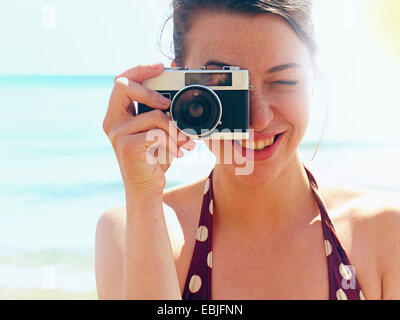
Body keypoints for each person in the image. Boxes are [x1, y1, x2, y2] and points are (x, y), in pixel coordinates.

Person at [95, 0, 400, 300]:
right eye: (224, 86)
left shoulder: (387, 234)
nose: (258, 119)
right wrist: (143, 194)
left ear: (312, 79)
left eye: (283, 81)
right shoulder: (132, 231)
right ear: (180, 88)